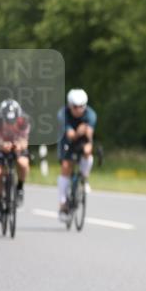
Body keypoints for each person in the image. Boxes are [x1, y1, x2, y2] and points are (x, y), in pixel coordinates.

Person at [0, 99, 31, 221]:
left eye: (13, 120)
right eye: (8, 121)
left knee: (23, 163)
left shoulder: (24, 121)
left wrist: (19, 146)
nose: (10, 123)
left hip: (17, 144)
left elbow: (25, 141)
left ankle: (20, 188)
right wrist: (2, 145)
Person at [57, 89, 96, 222]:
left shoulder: (91, 115)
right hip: (67, 142)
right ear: (69, 105)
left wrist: (88, 143)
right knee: (66, 167)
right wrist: (79, 132)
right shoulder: (63, 114)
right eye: (75, 106)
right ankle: (62, 203)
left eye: (81, 106)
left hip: (82, 140)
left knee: (88, 151)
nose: (78, 110)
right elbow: (70, 135)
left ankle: (84, 178)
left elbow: (89, 134)